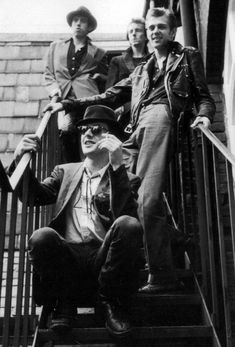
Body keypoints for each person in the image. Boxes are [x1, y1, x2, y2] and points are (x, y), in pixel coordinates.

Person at [44, 7, 216, 294]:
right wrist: (68, 104)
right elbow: (109, 95)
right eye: (151, 28)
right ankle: (172, 239)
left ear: (172, 32)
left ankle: (161, 273)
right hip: (136, 129)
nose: (154, 32)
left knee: (147, 197)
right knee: (120, 187)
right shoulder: (141, 70)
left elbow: (204, 96)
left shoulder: (187, 56)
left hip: (162, 118)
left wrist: (205, 116)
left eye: (161, 27)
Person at [11, 105, 143, 337]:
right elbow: (34, 197)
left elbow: (127, 219)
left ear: (112, 138)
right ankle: (64, 302)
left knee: (128, 225)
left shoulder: (127, 178)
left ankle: (110, 303)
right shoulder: (65, 171)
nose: (87, 134)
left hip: (104, 260)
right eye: (83, 130)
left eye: (96, 129)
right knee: (42, 236)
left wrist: (116, 165)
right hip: (68, 259)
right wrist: (19, 160)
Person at [44, 6, 108, 162]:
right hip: (63, 101)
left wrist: (100, 76)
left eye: (83, 21)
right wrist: (54, 90)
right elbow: (48, 73)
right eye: (75, 20)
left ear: (89, 27)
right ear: (71, 24)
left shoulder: (99, 52)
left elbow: (106, 78)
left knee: (91, 137)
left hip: (87, 100)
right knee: (66, 133)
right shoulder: (55, 47)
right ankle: (73, 170)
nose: (78, 24)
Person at [106, 17, 149, 136]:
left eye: (138, 30)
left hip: (147, 113)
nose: (134, 34)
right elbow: (110, 92)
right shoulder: (117, 61)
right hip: (123, 116)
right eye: (131, 31)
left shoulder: (153, 60)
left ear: (146, 36)